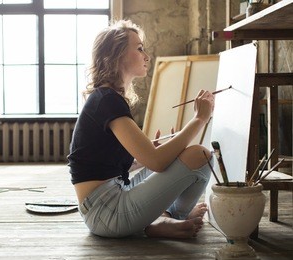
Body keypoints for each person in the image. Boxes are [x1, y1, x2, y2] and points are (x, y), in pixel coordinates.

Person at [67, 20, 215, 239]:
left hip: (108, 200)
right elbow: (156, 161)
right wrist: (200, 119)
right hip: (106, 212)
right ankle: (172, 216)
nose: (146, 56)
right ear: (116, 56)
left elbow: (109, 164)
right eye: (139, 49)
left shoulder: (108, 98)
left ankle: (162, 219)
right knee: (199, 155)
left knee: (184, 156)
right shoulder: (107, 100)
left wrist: (148, 153)